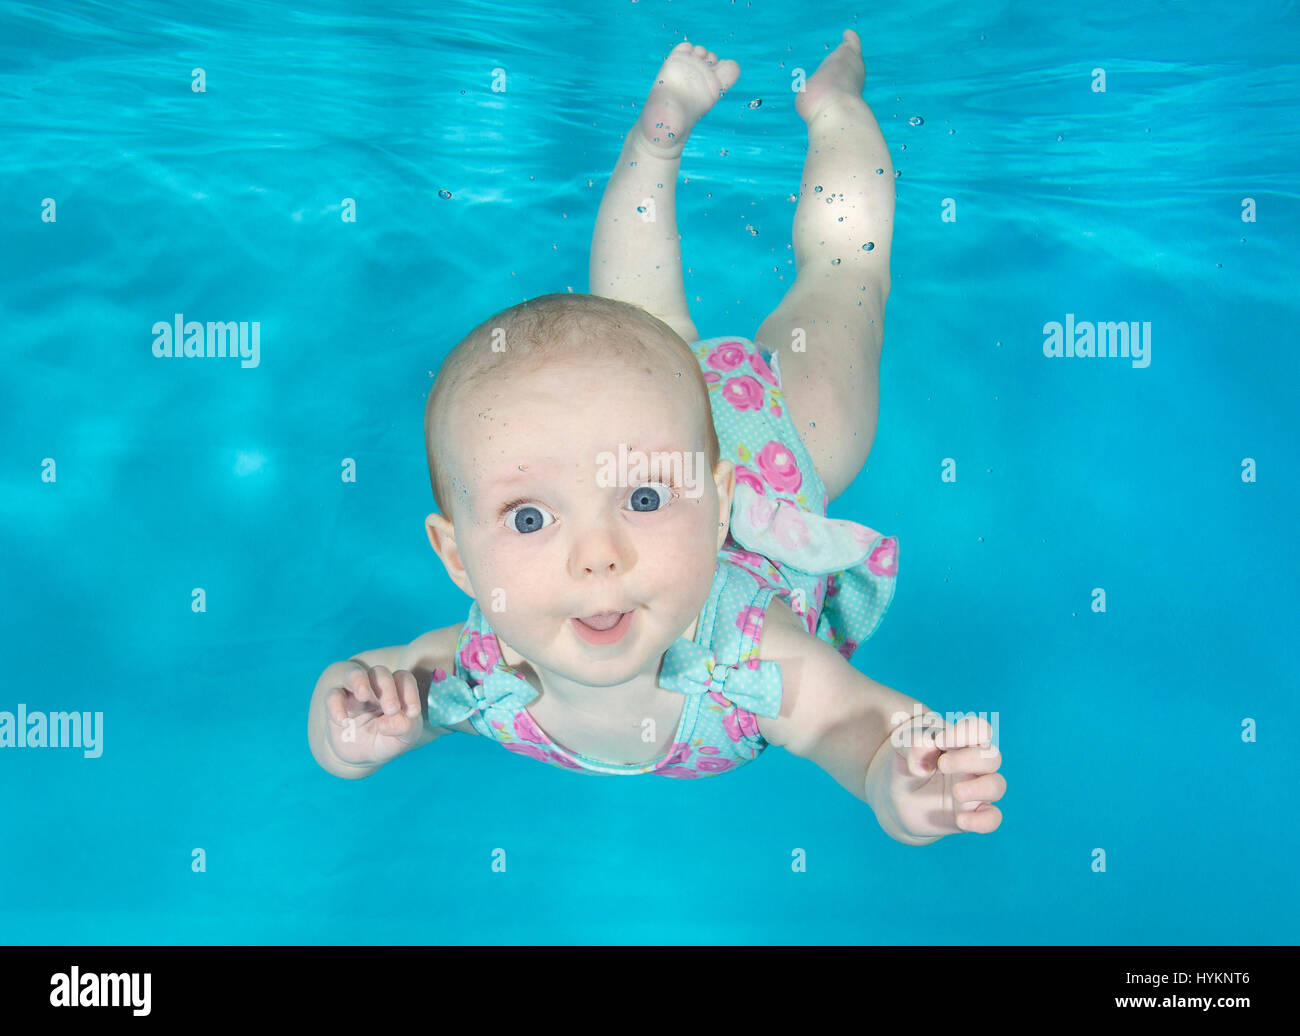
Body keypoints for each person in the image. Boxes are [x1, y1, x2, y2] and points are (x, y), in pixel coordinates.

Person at [307, 30, 1005, 843]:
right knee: (640, 332)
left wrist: (898, 779)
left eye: (641, 501)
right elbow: (347, 718)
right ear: (458, 555)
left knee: (844, 275)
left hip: (777, 432)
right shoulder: (469, 665)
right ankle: (659, 138)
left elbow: (855, 725)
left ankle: (833, 111)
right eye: (530, 518)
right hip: (644, 421)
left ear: (717, 510)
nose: (597, 556)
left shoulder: (747, 649)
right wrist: (353, 730)